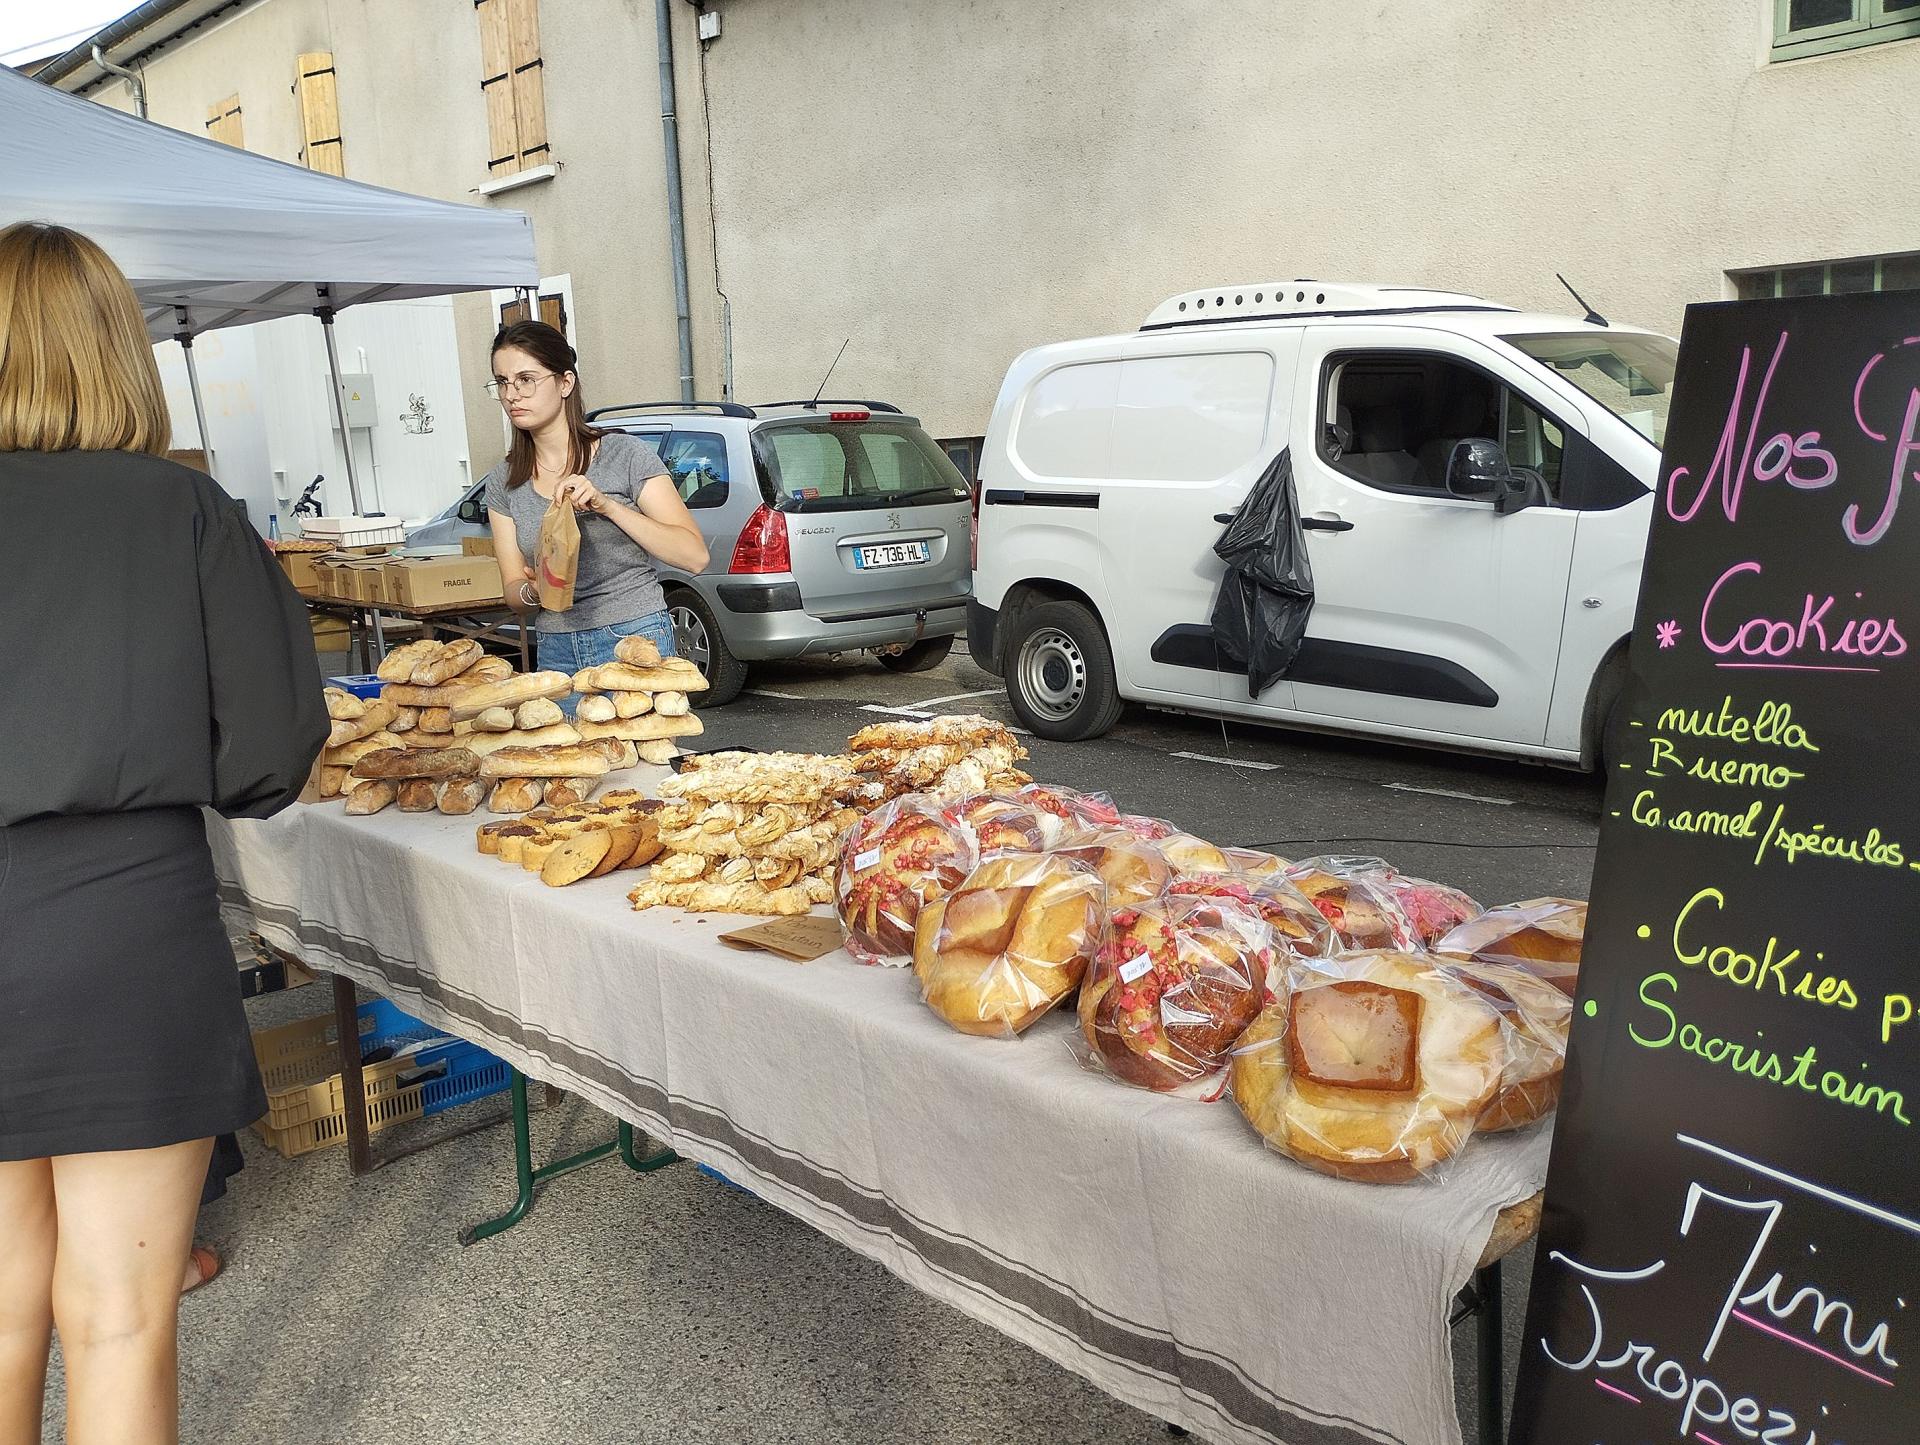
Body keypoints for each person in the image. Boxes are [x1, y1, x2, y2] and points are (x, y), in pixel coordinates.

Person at [0, 222, 326, 1445]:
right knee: (121, 1319)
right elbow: (267, 758)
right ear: (119, 352)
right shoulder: (184, 510)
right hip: (120, 933)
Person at [482, 321, 710, 675]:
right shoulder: (505, 480)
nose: (512, 394)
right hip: (556, 649)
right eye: (502, 382)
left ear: (565, 383)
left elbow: (694, 556)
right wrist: (533, 592)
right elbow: (513, 590)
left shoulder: (625, 454)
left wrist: (607, 506)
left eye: (526, 379)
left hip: (635, 637)